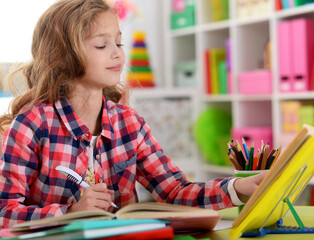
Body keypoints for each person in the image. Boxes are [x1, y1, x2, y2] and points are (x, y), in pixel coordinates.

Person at [0, 0, 266, 228]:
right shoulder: (32, 124)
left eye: (119, 42)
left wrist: (237, 188)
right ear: (63, 55)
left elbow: (174, 191)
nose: (118, 53)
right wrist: (69, 213)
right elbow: (5, 212)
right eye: (102, 46)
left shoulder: (129, 122)